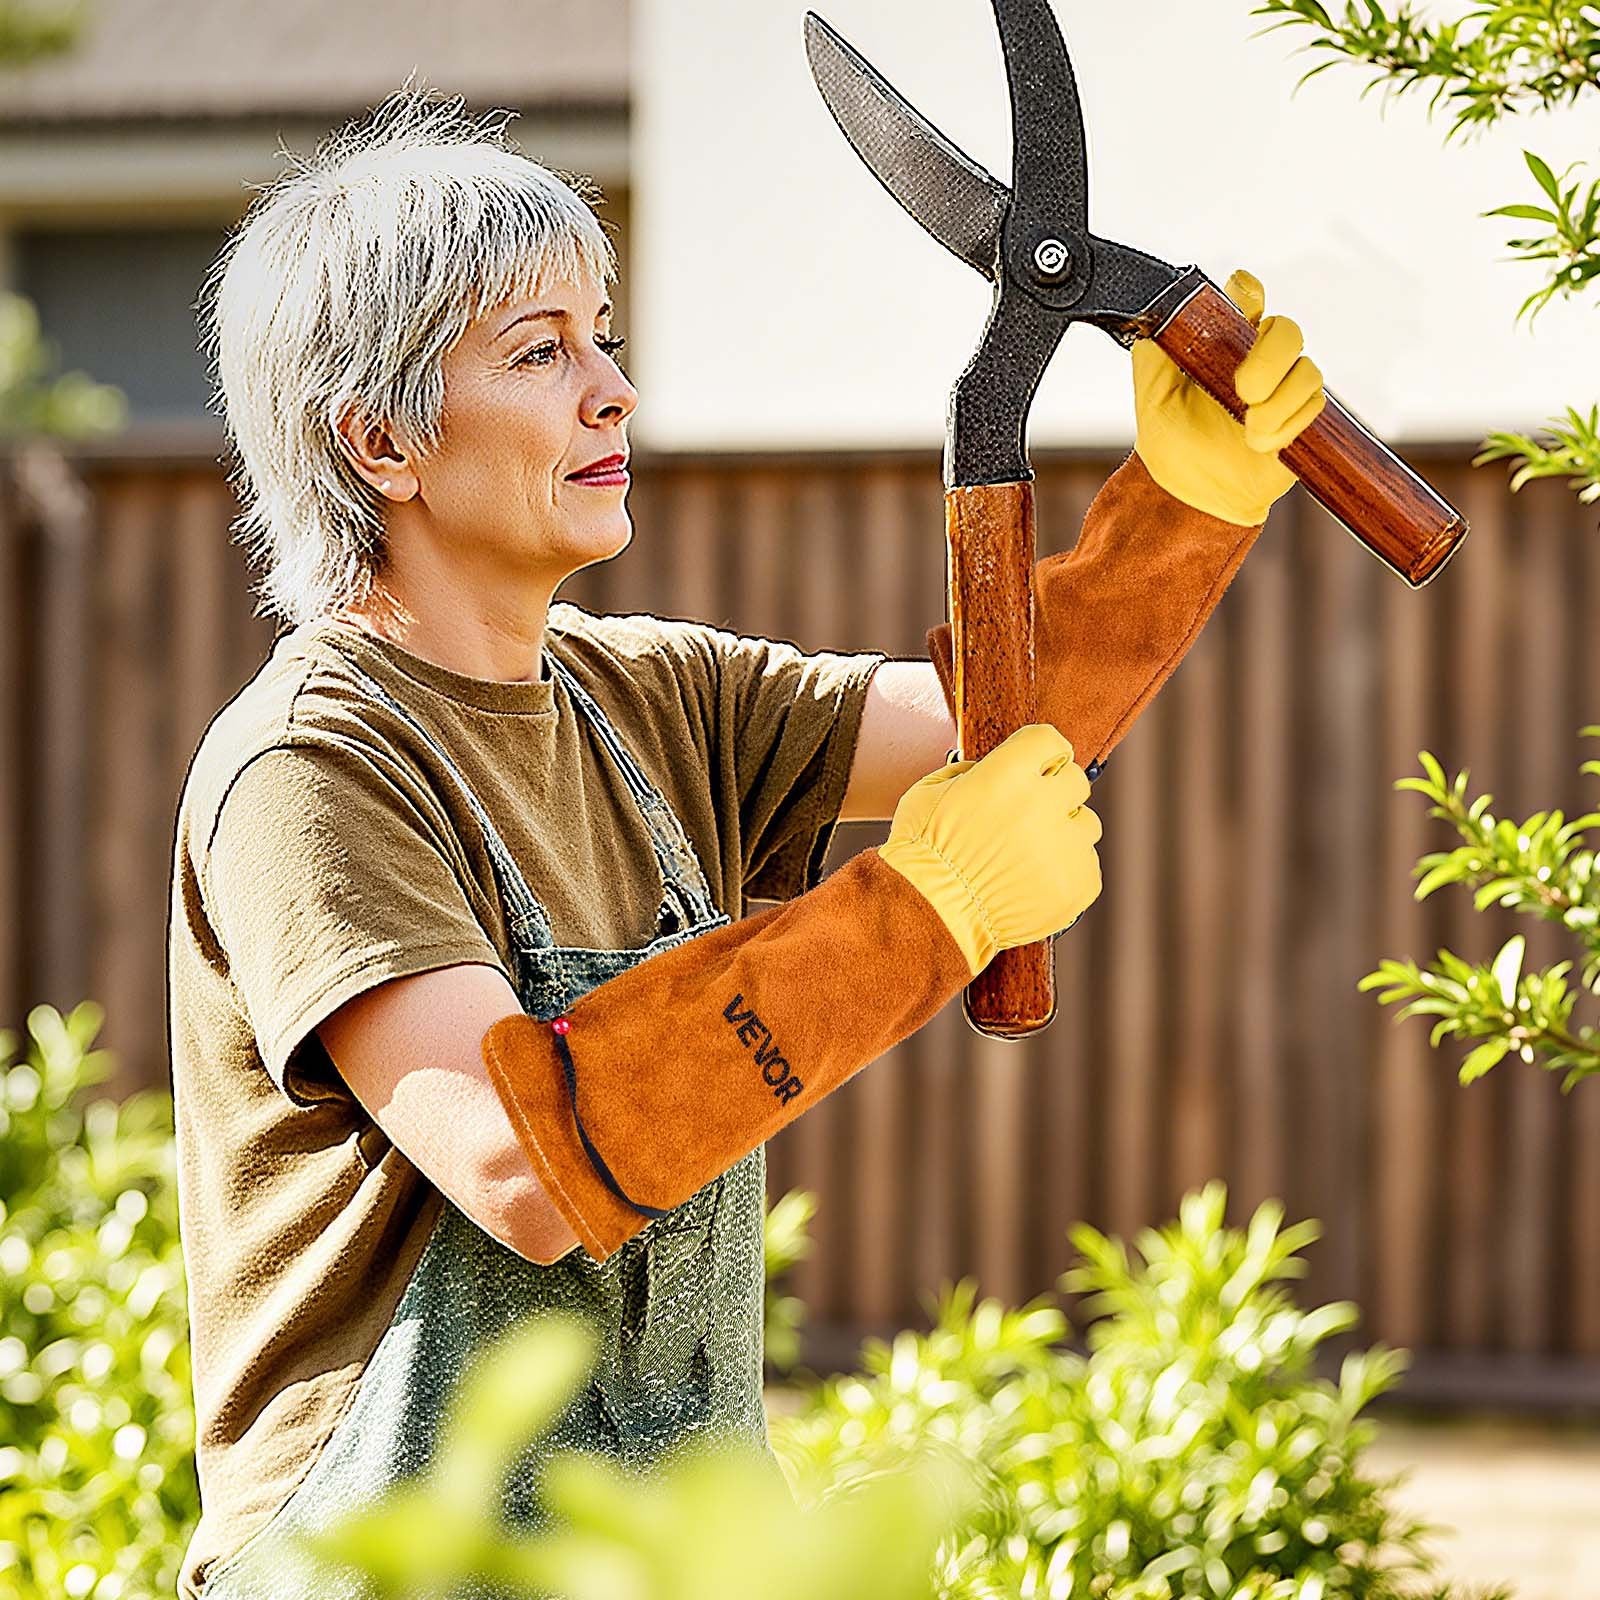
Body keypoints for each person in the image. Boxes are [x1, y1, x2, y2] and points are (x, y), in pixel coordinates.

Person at [167, 87, 1322, 1599]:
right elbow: (519, 1160)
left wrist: (1183, 508)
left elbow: (995, 722)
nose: (614, 394)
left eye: (606, 338)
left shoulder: (649, 698)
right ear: (380, 439)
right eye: (542, 352)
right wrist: (924, 912)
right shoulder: (310, 767)